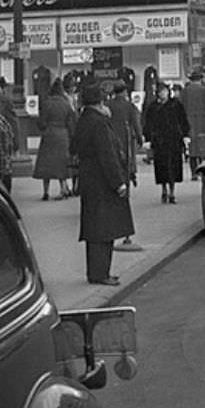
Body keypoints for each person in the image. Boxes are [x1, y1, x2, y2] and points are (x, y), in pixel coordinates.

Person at [73, 82, 134, 286]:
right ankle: (101, 274)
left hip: (89, 180)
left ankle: (96, 272)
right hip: (102, 182)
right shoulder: (99, 123)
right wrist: (118, 183)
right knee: (104, 230)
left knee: (94, 229)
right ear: (100, 103)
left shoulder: (83, 120)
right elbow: (107, 155)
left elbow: (74, 146)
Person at [109, 79, 144, 249]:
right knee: (126, 170)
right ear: (125, 92)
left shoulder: (108, 105)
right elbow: (136, 124)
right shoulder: (130, 107)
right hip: (125, 142)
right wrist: (139, 137)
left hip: (110, 143)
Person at [143, 81, 190, 203]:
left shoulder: (176, 105)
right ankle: (164, 189)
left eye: (165, 91)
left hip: (174, 139)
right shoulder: (153, 107)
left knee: (173, 167)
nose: (163, 94)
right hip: (159, 141)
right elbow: (148, 124)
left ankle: (172, 192)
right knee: (162, 167)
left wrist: (185, 135)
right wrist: (148, 138)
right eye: (160, 92)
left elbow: (183, 120)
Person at [33, 77, 74, 200]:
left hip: (49, 134)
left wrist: (45, 128)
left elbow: (41, 122)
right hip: (62, 135)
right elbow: (70, 123)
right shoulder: (66, 104)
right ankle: (63, 189)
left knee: (46, 164)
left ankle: (46, 192)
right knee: (62, 164)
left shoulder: (46, 103)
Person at [180, 70, 205, 179]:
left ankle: (194, 172)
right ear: (201, 79)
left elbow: (180, 109)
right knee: (203, 146)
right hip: (203, 121)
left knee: (191, 147)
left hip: (188, 120)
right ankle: (203, 170)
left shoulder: (185, 91)